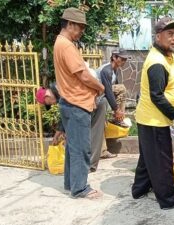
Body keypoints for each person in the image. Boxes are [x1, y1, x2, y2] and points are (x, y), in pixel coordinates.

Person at [131, 17, 174, 209]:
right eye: (170, 34)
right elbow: (157, 96)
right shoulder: (157, 62)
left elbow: (172, 78)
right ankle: (167, 200)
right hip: (153, 120)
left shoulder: (168, 55)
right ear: (158, 36)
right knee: (162, 161)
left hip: (151, 119)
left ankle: (139, 190)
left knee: (148, 157)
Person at [53, 7, 105, 198]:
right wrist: (100, 87)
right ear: (70, 24)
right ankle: (80, 188)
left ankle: (71, 183)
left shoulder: (59, 43)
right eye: (80, 27)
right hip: (77, 104)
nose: (82, 31)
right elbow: (83, 75)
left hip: (69, 102)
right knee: (81, 148)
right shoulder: (66, 45)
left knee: (73, 147)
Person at [95, 49, 128, 126]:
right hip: (96, 95)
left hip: (103, 93)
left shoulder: (115, 69)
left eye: (125, 59)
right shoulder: (107, 70)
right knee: (122, 88)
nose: (124, 61)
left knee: (121, 89)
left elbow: (114, 91)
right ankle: (118, 117)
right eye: (122, 59)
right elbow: (108, 91)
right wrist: (116, 110)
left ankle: (118, 118)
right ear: (114, 57)